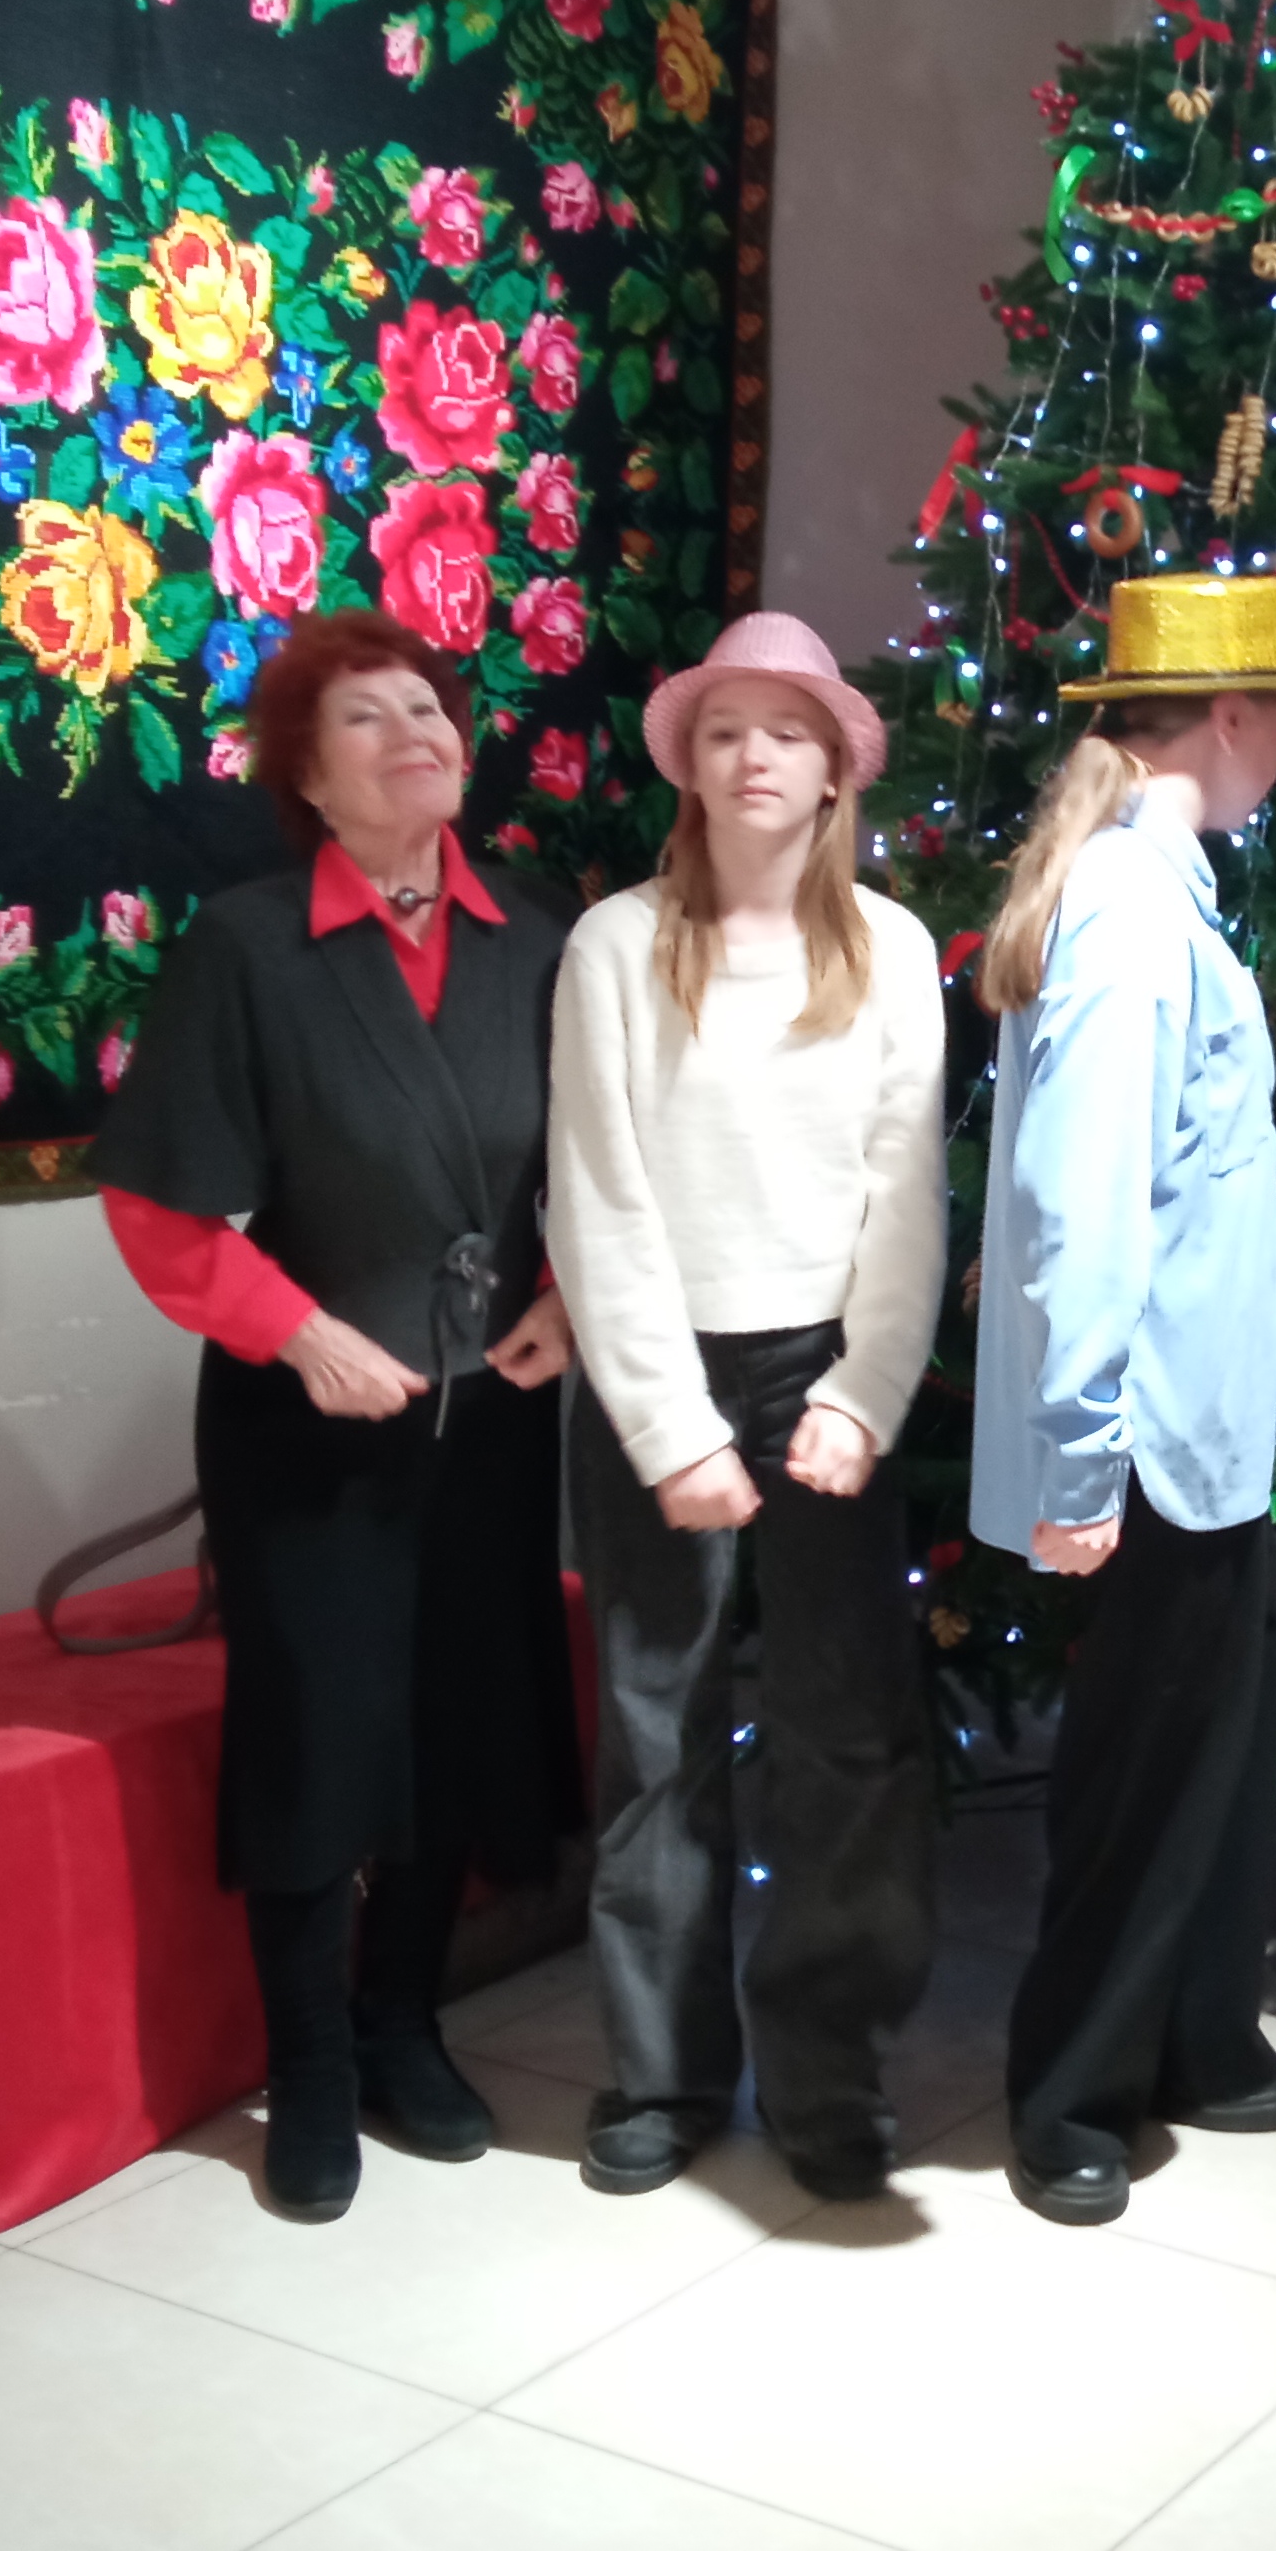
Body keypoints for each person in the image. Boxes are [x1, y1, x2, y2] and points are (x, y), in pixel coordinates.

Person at [93, 612, 581, 2223]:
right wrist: (297, 1334)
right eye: (367, 718)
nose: (415, 732)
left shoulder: (541, 935)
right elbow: (160, 1211)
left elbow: (603, 1163)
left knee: (454, 1718)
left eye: (430, 708)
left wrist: (573, 1298)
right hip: (306, 1422)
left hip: (492, 1415)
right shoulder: (248, 947)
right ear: (306, 777)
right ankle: (307, 2071)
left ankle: (400, 2027)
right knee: (317, 1735)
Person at [548, 614, 948, 2208]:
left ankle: (828, 2071)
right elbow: (599, 1196)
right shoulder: (617, 947)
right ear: (692, 766)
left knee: (846, 1736)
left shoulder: (893, 948)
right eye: (726, 730)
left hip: (826, 1372)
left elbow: (908, 1198)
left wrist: (863, 1394)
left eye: (787, 729)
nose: (754, 755)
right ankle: (661, 2074)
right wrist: (670, 1426)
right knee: (658, 1737)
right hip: (663, 1369)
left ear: (836, 768)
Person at [971, 573, 1276, 2228]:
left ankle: (1193, 2034)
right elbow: (1089, 1202)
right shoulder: (1130, 912)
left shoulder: (1161, 896)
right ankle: (1072, 2088)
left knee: (1218, 1747)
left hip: (1207, 1431)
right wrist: (1082, 1456)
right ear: (1237, 718)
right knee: (1140, 1764)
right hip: (1151, 1443)